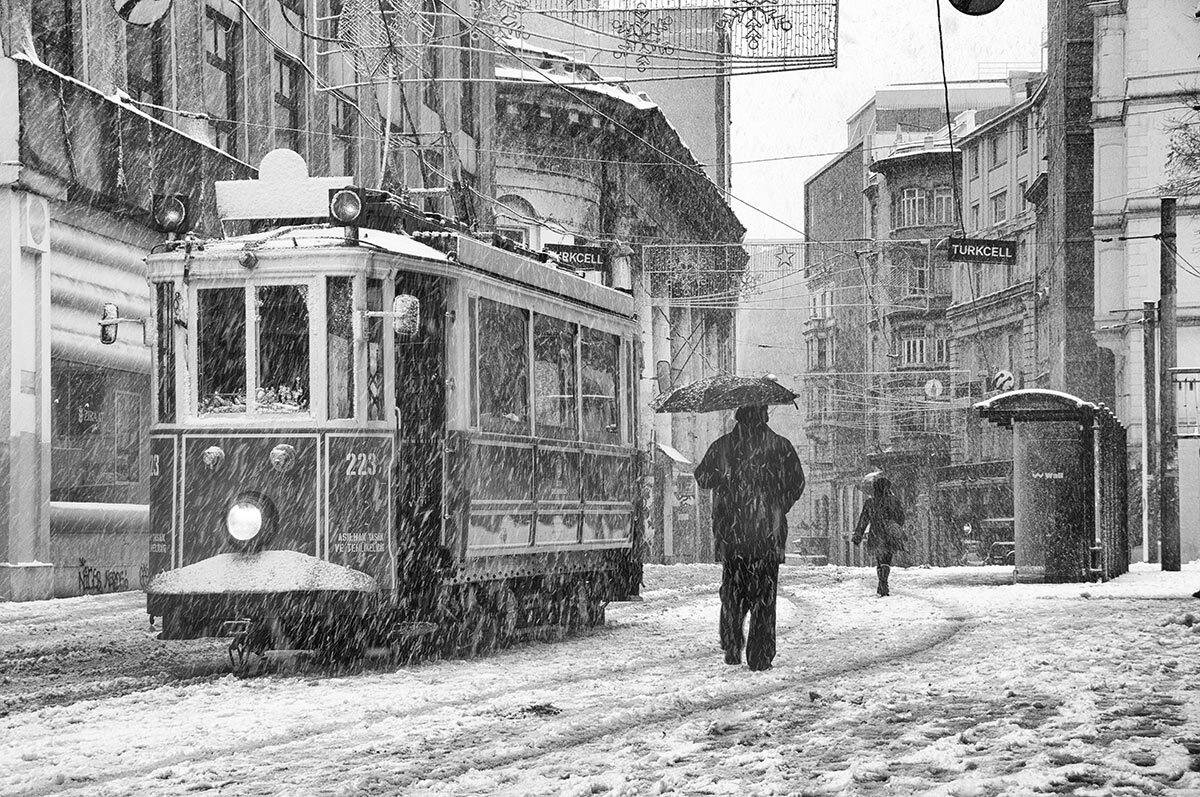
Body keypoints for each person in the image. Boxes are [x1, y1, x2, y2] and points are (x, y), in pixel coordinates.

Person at [694, 405, 805, 671]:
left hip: (732, 536)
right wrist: (778, 505)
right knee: (764, 598)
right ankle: (760, 655)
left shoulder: (723, 447)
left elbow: (702, 477)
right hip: (768, 536)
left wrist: (725, 478)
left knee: (733, 592)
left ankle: (732, 641)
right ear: (765, 416)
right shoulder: (780, 446)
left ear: (738, 416)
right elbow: (797, 483)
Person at [851, 476, 907, 597]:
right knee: (887, 559)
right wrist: (893, 523)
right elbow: (901, 518)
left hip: (876, 534)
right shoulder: (894, 501)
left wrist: (858, 536)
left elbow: (863, 521)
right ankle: (884, 582)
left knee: (879, 560)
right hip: (890, 535)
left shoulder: (870, 503)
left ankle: (881, 583)